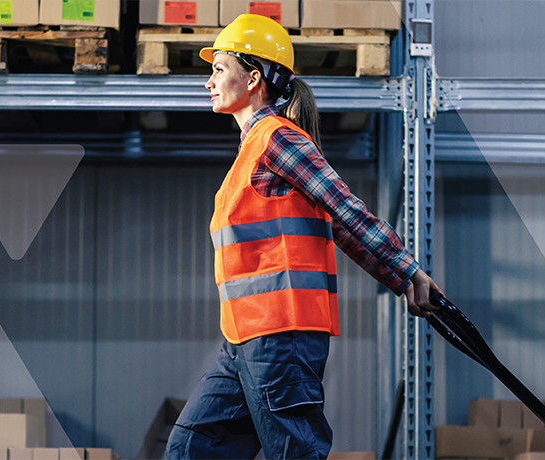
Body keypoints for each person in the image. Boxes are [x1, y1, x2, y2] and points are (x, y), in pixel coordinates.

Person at [164, 14, 441, 460]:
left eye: (218, 70)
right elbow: (337, 225)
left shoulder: (277, 139)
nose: (208, 82)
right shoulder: (253, 149)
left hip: (281, 334)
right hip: (242, 339)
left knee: (293, 452)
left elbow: (345, 211)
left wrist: (406, 272)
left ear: (253, 78)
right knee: (189, 450)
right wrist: (399, 277)